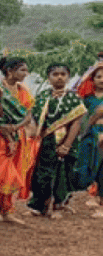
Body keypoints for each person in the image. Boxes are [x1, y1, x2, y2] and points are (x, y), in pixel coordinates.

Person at [28, 63, 86, 218]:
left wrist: (66, 145)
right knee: (43, 173)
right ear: (48, 78)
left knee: (62, 173)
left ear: (68, 77)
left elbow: (76, 122)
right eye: (55, 74)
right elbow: (34, 118)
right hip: (46, 142)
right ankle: (42, 204)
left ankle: (58, 205)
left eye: (63, 74)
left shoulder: (73, 98)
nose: (59, 77)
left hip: (67, 141)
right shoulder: (42, 96)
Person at [0, 56, 37, 225]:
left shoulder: (23, 91)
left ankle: (7, 210)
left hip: (18, 135)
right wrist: (8, 132)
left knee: (15, 172)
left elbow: (28, 115)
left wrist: (15, 128)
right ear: (10, 71)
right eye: (22, 70)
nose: (26, 73)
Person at [73, 63, 103, 217]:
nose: (102, 80)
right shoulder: (87, 99)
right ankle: (95, 196)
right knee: (91, 165)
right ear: (92, 79)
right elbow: (82, 118)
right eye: (98, 76)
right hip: (90, 135)